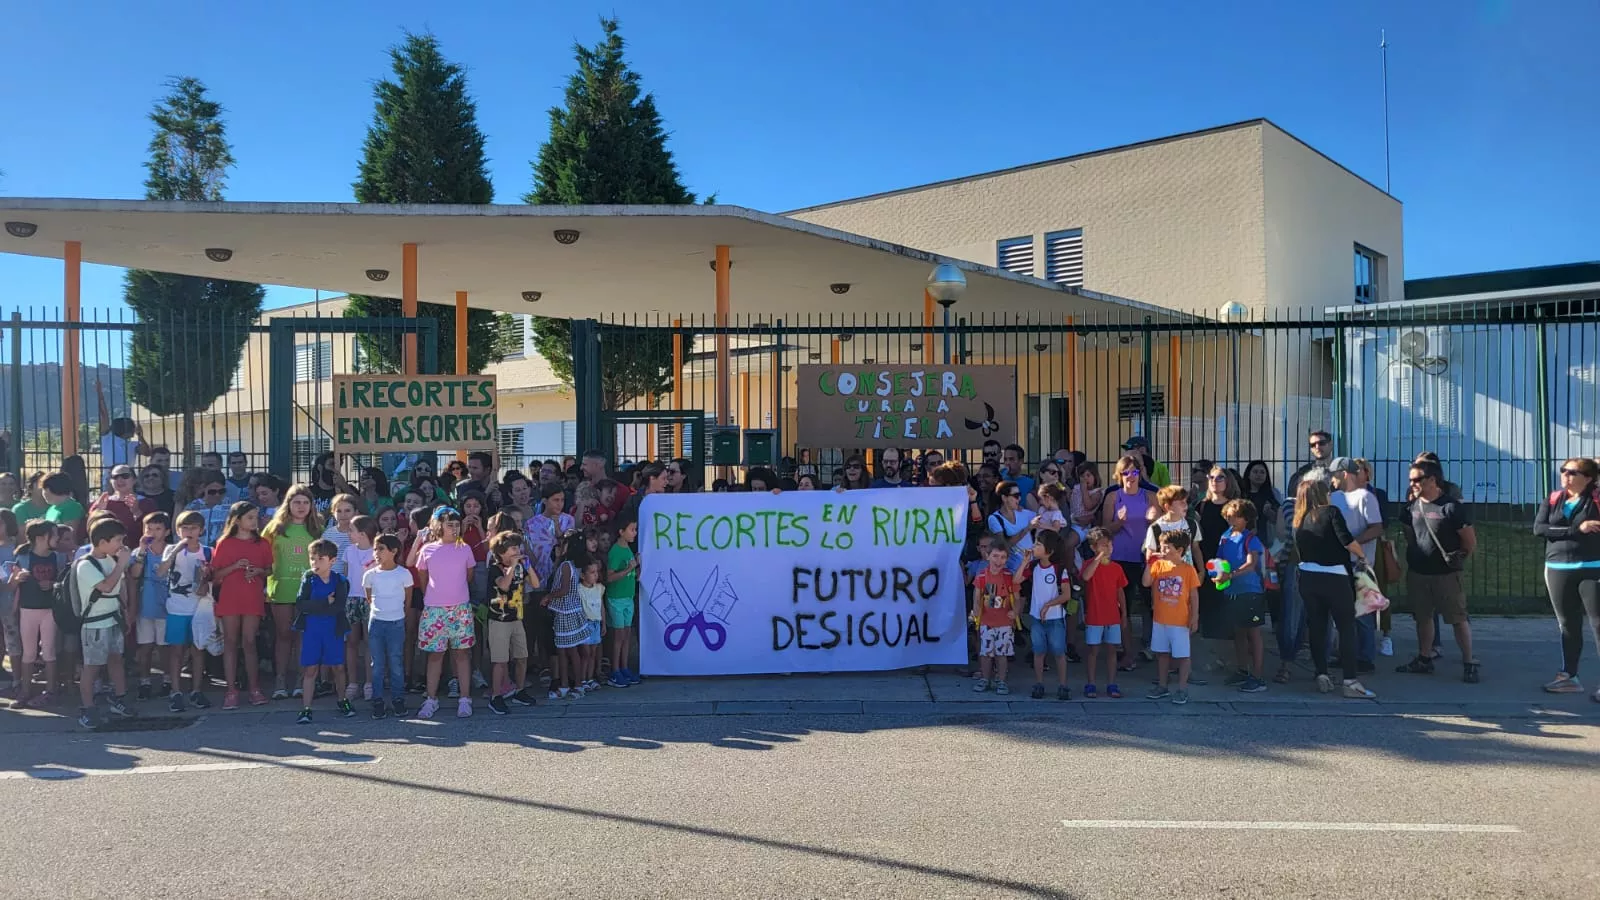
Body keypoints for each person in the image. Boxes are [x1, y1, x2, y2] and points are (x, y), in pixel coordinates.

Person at [1396, 460, 1480, 683]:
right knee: (1423, 617)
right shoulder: (1411, 507)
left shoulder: (1450, 507)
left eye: (1417, 480)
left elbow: (1469, 541)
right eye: (1410, 480)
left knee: (1457, 618)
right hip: (1418, 572)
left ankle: (1469, 662)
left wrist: (1458, 559)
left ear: (1432, 480)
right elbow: (1410, 535)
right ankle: (1424, 657)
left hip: (1446, 574)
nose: (1412, 484)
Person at [1292, 478, 1377, 698]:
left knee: (1317, 626)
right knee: (1346, 627)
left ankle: (1321, 673)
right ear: (1323, 494)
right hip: (1335, 576)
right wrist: (1362, 556)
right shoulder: (1331, 512)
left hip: (1308, 576)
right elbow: (1346, 540)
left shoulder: (1299, 519)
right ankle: (1350, 681)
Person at [1534, 458, 1600, 699]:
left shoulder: (1596, 499)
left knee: (1598, 623)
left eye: (1573, 472)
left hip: (1592, 567)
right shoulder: (1553, 499)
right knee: (1568, 624)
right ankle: (1569, 677)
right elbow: (1539, 529)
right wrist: (1576, 530)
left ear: (1588, 478)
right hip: (1558, 567)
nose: (1565, 475)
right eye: (1563, 470)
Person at [413, 507, 478, 718]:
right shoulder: (427, 549)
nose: (454, 528)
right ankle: (431, 699)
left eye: (457, 525)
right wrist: (433, 597)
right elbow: (423, 577)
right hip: (435, 609)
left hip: (460, 608)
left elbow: (469, 576)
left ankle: (465, 698)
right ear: (439, 526)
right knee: (435, 655)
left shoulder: (465, 548)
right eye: (450, 525)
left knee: (462, 654)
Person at [74, 516, 135, 729]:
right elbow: (107, 586)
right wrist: (121, 564)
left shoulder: (111, 559)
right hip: (95, 625)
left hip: (113, 619)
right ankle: (88, 708)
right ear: (102, 542)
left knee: (116, 659)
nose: (121, 545)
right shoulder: (85, 565)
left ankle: (119, 698)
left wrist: (126, 611)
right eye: (117, 540)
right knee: (92, 667)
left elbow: (120, 587)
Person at [210, 501, 272, 709]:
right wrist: (235, 566)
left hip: (252, 596)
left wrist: (258, 571)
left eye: (256, 517)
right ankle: (231, 691)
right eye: (250, 517)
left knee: (249, 642)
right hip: (230, 597)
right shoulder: (225, 543)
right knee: (230, 642)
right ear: (237, 520)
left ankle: (255, 689)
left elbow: (269, 570)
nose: (255, 521)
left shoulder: (262, 543)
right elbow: (216, 575)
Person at [264, 486, 323, 700]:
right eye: (297, 502)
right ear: (288, 504)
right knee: (283, 635)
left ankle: (301, 680)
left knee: (303, 636)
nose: (301, 507)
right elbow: (263, 554)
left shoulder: (317, 529)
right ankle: (280, 681)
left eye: (306, 503)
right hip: (281, 588)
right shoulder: (274, 528)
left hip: (309, 591)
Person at [1329, 457, 1384, 673]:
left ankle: (1365, 657)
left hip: (1359, 564)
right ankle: (1345, 654)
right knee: (1341, 613)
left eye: (1334, 475)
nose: (1331, 479)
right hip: (1337, 562)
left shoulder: (1366, 497)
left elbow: (1376, 528)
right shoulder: (1333, 497)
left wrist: (1352, 543)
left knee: (1362, 613)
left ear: (1344, 474)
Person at [1102, 455, 1156, 669]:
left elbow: (1161, 527)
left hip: (1146, 558)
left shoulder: (1150, 496)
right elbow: (1105, 530)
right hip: (1120, 559)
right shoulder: (1113, 497)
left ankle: (1156, 651)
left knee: (1152, 605)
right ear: (1119, 475)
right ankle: (1128, 654)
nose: (1130, 476)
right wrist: (1119, 522)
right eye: (1126, 472)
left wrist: (1153, 519)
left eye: (1134, 472)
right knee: (1123, 608)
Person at [294, 540, 354, 724]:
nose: (315, 563)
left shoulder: (340, 581)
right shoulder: (308, 579)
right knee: (311, 668)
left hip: (333, 630)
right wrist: (323, 603)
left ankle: (343, 700)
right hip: (312, 630)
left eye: (320, 559)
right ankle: (306, 709)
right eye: (312, 559)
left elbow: (338, 606)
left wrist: (319, 607)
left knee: (338, 667)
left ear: (332, 561)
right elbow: (301, 604)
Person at [162, 510, 213, 712]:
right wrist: (176, 550)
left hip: (200, 607)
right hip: (177, 607)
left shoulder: (208, 551)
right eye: (185, 528)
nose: (189, 532)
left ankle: (196, 690)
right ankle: (175, 691)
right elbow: (161, 571)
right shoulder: (171, 550)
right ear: (178, 531)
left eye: (193, 528)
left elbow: (214, 577)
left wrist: (206, 578)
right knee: (177, 651)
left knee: (198, 650)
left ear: (201, 530)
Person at [7, 519, 62, 709]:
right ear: (41, 538)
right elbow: (11, 586)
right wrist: (17, 579)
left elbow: (64, 583)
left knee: (49, 651)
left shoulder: (58, 557)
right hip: (27, 610)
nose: (57, 538)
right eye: (54, 534)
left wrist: (53, 585)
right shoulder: (23, 557)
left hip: (50, 610)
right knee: (28, 652)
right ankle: (25, 691)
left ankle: (51, 691)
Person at [1216, 499, 1269, 693]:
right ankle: (1242, 670)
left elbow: (1251, 563)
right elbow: (1220, 560)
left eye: (1236, 516)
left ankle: (1258, 676)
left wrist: (1230, 575)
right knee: (1238, 631)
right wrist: (1218, 574)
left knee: (1253, 633)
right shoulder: (1225, 537)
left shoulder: (1250, 539)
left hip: (1251, 591)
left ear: (1246, 518)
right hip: (1232, 591)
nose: (1231, 519)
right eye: (1229, 515)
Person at [1143, 531, 1200, 704]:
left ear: (1180, 550)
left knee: (1182, 655)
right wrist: (1149, 563)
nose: (1162, 550)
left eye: (1167, 547)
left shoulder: (1188, 569)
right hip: (1160, 619)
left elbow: (1194, 595)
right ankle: (1162, 686)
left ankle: (1182, 689)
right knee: (1162, 653)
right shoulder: (1158, 565)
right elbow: (1146, 582)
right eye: (1161, 546)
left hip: (1180, 621)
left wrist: (1194, 616)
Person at [484, 530, 537, 714]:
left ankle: (520, 690)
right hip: (499, 620)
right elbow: (504, 585)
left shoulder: (521, 567)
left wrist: (528, 567)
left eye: (518, 547)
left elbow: (536, 584)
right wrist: (512, 567)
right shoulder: (494, 568)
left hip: (516, 618)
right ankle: (496, 696)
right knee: (500, 661)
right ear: (501, 552)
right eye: (513, 548)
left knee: (522, 657)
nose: (517, 551)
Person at [363, 533, 413, 719]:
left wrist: (399, 614)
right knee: (377, 664)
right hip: (376, 622)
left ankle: (398, 699)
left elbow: (407, 600)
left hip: (396, 623)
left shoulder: (404, 574)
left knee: (395, 662)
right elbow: (369, 598)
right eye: (375, 549)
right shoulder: (370, 575)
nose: (376, 553)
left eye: (381, 549)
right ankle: (378, 700)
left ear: (393, 551)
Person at [1023, 530, 1073, 700]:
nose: (1034, 546)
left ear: (1049, 551)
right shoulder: (1033, 567)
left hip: (1055, 618)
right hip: (1036, 618)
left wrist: (1048, 605)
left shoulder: (1059, 570)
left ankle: (1063, 685)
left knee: (1059, 652)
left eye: (1038, 544)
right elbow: (1016, 580)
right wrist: (1024, 562)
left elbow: (1066, 595)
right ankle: (1039, 683)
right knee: (1038, 652)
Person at [1079, 527, 1128, 699]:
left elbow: (1120, 591)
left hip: (1112, 615)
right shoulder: (1088, 564)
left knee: (1112, 650)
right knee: (1093, 650)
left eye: (1109, 544)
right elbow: (1086, 577)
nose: (1107, 548)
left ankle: (1112, 683)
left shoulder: (1117, 568)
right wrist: (1098, 558)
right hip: (1094, 615)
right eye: (1103, 545)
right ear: (1093, 547)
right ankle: (1091, 683)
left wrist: (1124, 613)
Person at [546, 531, 593, 700]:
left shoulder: (567, 565)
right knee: (566, 651)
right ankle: (566, 685)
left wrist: (548, 597)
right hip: (571, 610)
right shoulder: (574, 564)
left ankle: (576, 685)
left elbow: (564, 589)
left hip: (566, 612)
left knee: (569, 651)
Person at [971, 541, 1020, 695]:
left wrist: (1015, 611)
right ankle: (985, 679)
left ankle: (1001, 680)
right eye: (995, 556)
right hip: (986, 622)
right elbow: (977, 597)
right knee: (985, 653)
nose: (999, 561)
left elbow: (1017, 598)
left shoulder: (1009, 577)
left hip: (1004, 623)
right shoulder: (981, 576)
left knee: (1002, 654)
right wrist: (976, 611)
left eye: (1003, 557)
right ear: (988, 556)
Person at [340, 515, 377, 701]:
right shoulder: (349, 551)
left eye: (352, 530)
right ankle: (352, 682)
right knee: (351, 641)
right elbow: (346, 575)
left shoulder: (376, 552)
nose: (349, 533)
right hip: (352, 599)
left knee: (370, 642)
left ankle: (370, 682)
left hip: (370, 600)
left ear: (362, 534)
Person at [605, 516, 641, 688]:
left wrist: (636, 569)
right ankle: (615, 671)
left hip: (628, 597)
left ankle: (624, 667)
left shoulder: (628, 549)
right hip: (616, 599)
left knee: (626, 635)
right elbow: (610, 577)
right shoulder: (615, 551)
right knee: (619, 637)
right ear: (621, 532)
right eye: (632, 530)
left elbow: (631, 573)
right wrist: (630, 568)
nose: (635, 533)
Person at [987, 480, 1037, 574]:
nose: (1019, 499)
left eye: (1020, 495)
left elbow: (1044, 517)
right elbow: (1004, 546)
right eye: (1016, 496)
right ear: (1004, 498)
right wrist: (1028, 528)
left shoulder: (1024, 513)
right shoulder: (994, 519)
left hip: (1031, 567)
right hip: (1013, 571)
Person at [580, 449, 632, 521]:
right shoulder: (582, 489)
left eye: (584, 464)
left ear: (598, 465)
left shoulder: (621, 490)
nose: (581, 468)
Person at [1242, 460, 1283, 547]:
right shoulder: (1242, 494)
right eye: (1255, 472)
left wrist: (1269, 513)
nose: (1259, 475)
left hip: (1266, 541)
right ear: (1248, 474)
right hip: (1244, 540)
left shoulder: (1272, 494)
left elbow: (1279, 519)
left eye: (1262, 472)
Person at [1287, 430, 1335, 497]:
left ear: (1330, 445)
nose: (1317, 447)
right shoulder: (1302, 473)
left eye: (1321, 443)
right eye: (1313, 445)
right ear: (1311, 449)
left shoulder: (1340, 470)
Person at [42, 472, 86, 540]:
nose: (43, 493)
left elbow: (70, 537)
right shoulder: (52, 508)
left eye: (44, 489)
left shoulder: (72, 507)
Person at [1069, 462, 1105, 538]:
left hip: (1083, 525)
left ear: (1095, 476)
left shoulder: (1097, 493)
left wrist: (1084, 490)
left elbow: (1088, 506)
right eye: (1082, 476)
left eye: (1088, 475)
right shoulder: (1077, 488)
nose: (1085, 478)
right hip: (1072, 519)